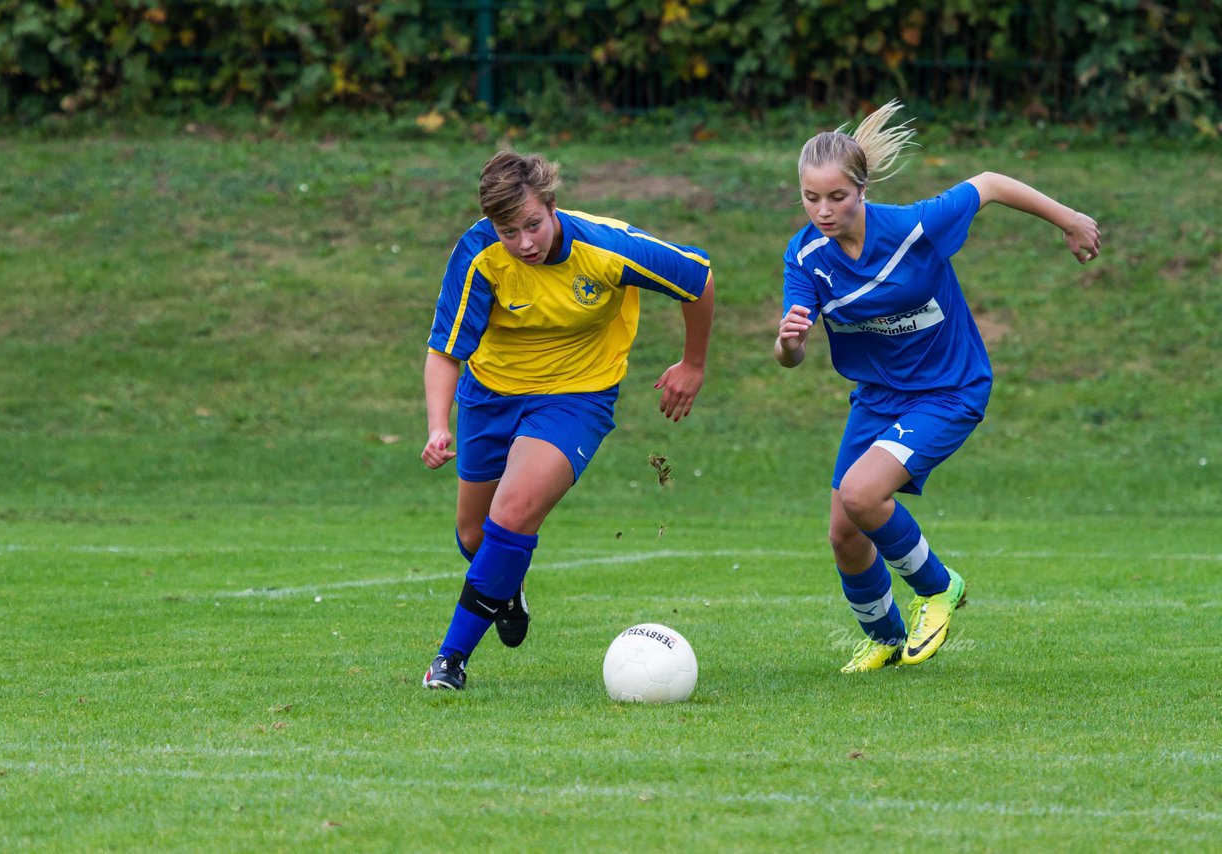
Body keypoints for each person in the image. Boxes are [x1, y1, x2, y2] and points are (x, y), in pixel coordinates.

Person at [774, 101, 1101, 673]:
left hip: (950, 390)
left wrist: (1070, 219)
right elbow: (790, 357)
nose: (822, 211)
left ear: (862, 189)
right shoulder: (805, 258)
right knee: (844, 534)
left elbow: (991, 183)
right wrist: (790, 341)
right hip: (877, 398)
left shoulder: (914, 227)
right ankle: (885, 639)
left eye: (836, 197)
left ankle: (938, 587)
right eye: (810, 197)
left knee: (861, 493)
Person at [420, 150, 715, 690]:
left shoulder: (607, 247)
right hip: (490, 394)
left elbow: (697, 276)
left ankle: (449, 660)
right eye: (510, 231)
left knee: (514, 511)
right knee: (473, 533)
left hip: (576, 398)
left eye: (533, 224)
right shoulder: (479, 254)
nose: (525, 242)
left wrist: (692, 363)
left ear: (552, 206)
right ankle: (506, 585)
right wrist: (439, 425)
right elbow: (445, 350)